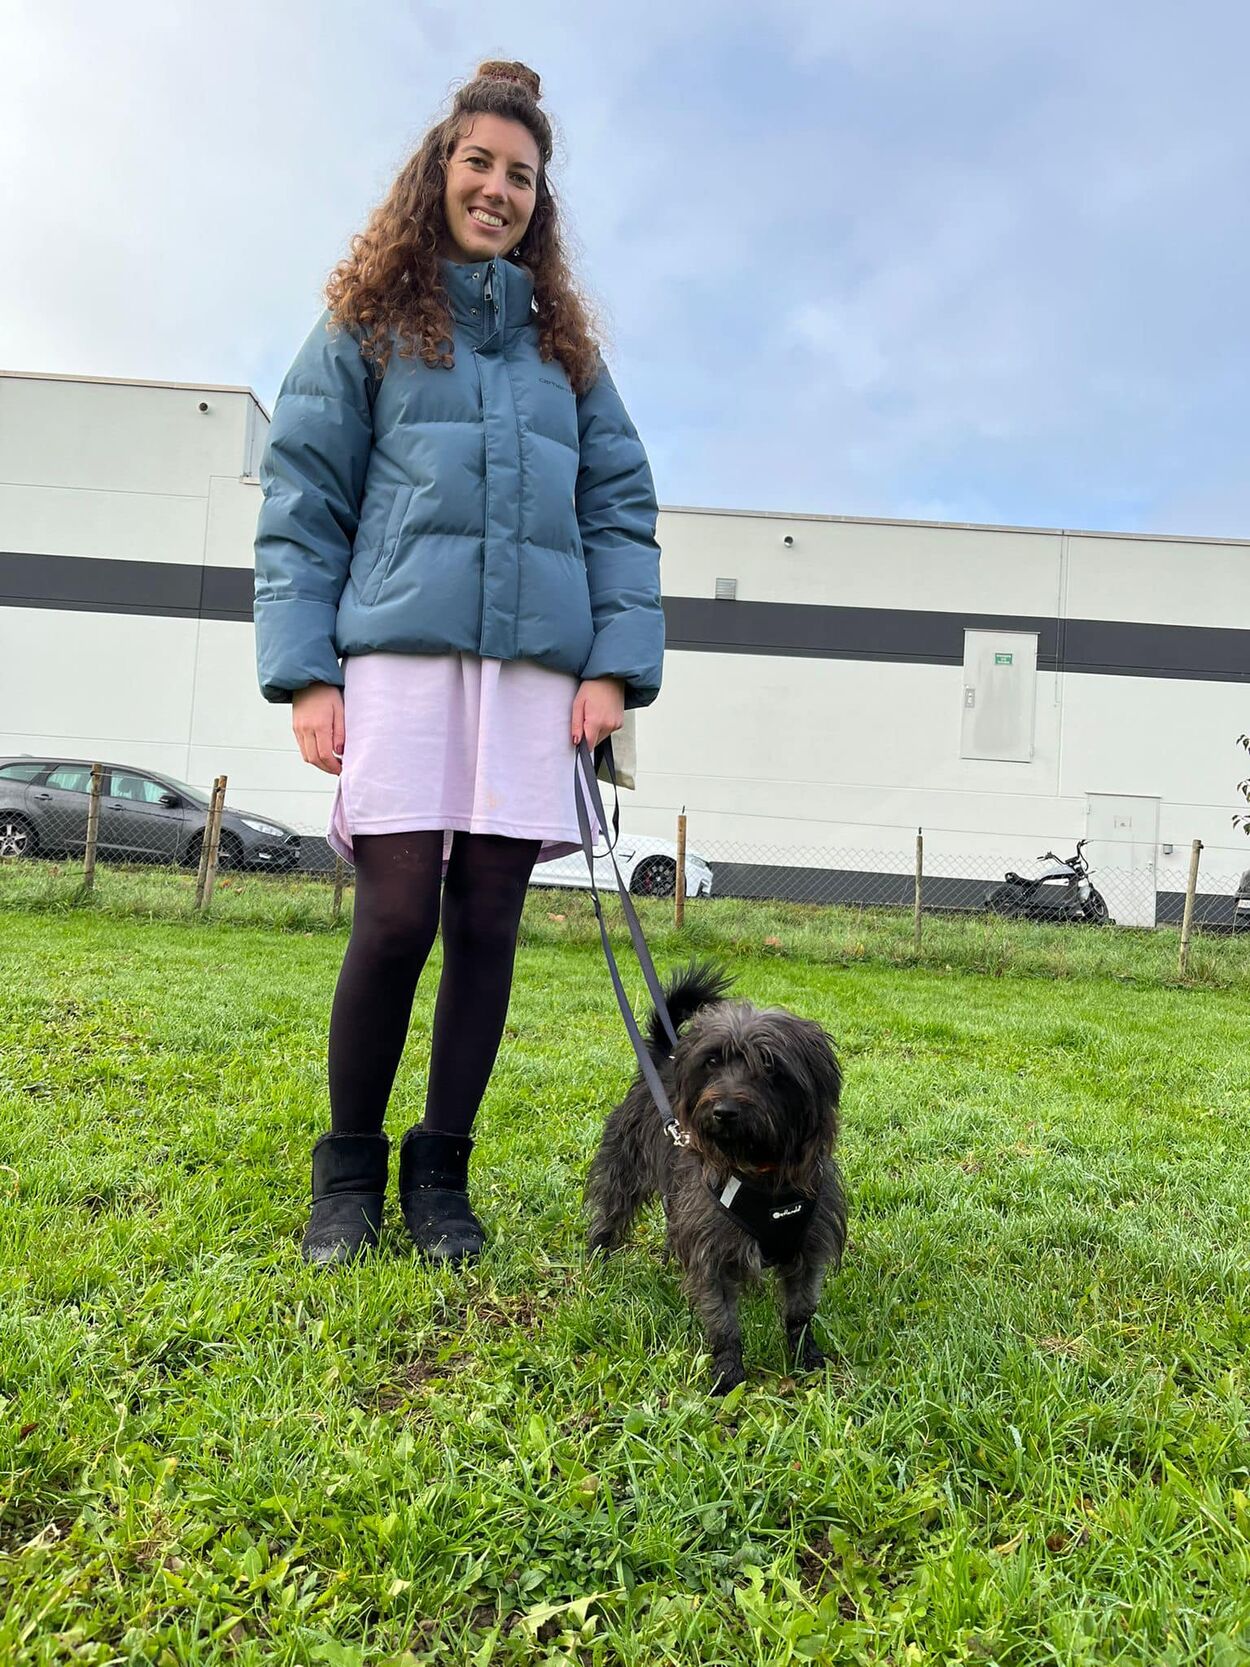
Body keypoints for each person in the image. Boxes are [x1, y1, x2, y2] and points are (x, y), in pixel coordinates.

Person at [253, 60, 664, 1268]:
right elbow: (304, 496)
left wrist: (612, 667)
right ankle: (346, 1175)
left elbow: (618, 510)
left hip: (536, 672)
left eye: (520, 175)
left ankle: (441, 1172)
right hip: (400, 657)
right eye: (478, 163)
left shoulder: (565, 356)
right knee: (392, 918)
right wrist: (310, 670)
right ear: (438, 173)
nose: (497, 188)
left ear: (539, 202)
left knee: (486, 921)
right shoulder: (366, 326)